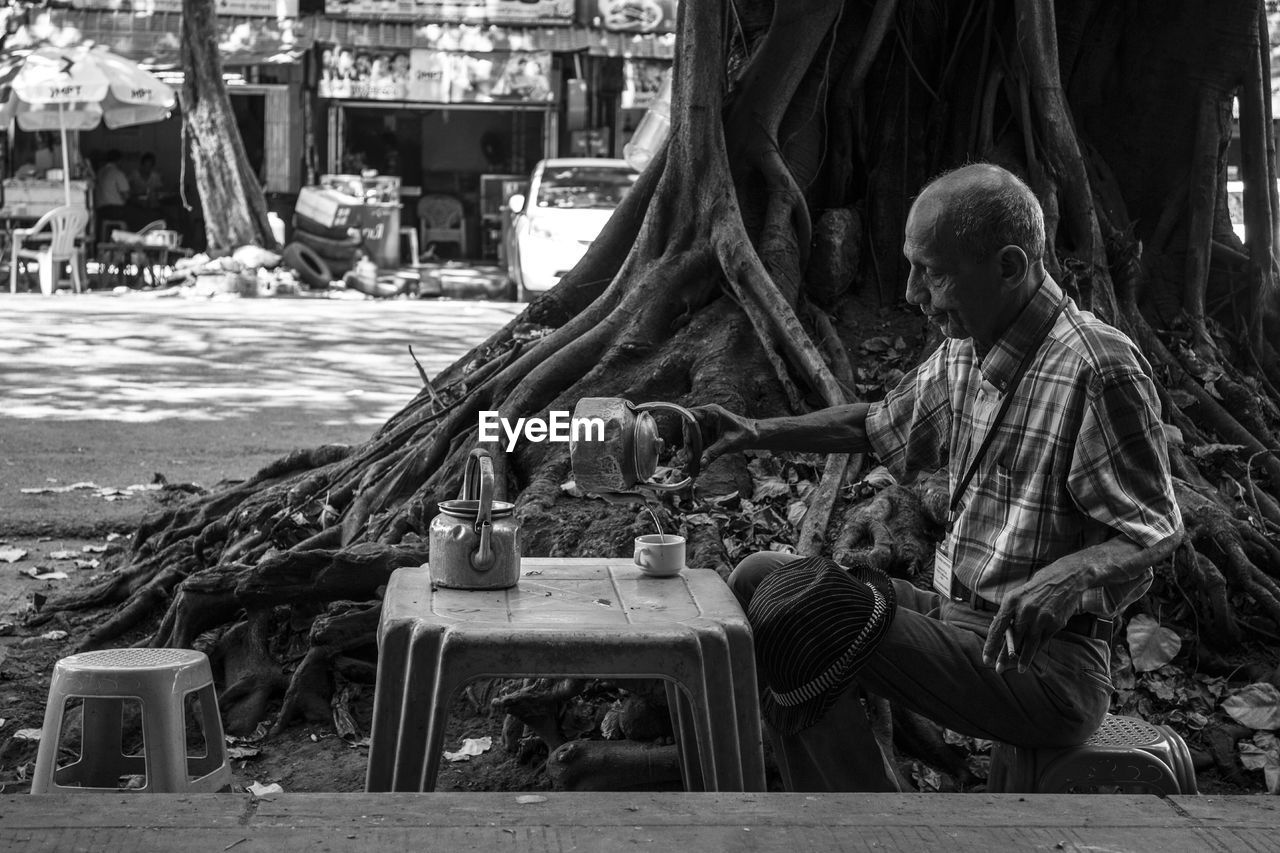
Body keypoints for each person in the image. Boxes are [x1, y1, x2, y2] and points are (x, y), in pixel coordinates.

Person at [692, 162, 1182, 792]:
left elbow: (1156, 530)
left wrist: (1071, 573)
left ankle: (872, 834)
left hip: (1048, 666)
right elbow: (874, 426)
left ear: (1009, 267)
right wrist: (755, 432)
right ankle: (854, 792)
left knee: (807, 617)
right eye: (911, 266)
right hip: (958, 619)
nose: (912, 293)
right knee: (760, 578)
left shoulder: (1099, 369)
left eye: (933, 272)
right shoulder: (964, 350)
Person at [94, 149, 133, 239]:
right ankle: (129, 243)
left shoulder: (99, 172)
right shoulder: (117, 173)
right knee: (137, 214)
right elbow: (126, 196)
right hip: (115, 211)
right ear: (119, 161)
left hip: (100, 211)